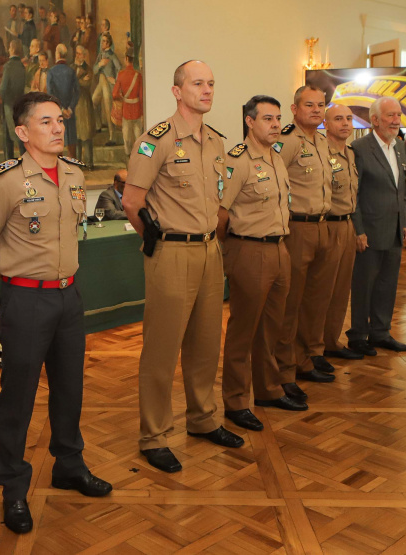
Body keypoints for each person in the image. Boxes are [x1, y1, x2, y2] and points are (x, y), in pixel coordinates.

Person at [0, 91, 113, 536]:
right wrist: (15, 280)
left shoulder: (73, 174)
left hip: (69, 297)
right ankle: (13, 486)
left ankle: (69, 464)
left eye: (60, 121)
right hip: (26, 300)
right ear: (23, 132)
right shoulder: (7, 180)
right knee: (18, 397)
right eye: (47, 122)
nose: (58, 128)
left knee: (70, 388)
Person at [122, 60, 244, 475]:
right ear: (177, 91)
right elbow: (131, 202)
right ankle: (154, 436)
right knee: (162, 350)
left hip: (210, 252)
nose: (207, 90)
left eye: (211, 83)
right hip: (171, 252)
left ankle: (203, 419)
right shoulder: (154, 140)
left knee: (207, 343)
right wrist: (155, 241)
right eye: (197, 83)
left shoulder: (216, 141)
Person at [217, 95, 305, 433]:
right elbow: (220, 214)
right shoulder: (236, 161)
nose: (275, 125)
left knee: (273, 326)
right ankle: (236, 400)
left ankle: (268, 390)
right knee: (244, 329)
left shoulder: (277, 158)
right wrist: (236, 248)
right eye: (267, 118)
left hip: (280, 247)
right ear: (249, 122)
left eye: (278, 118)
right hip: (250, 251)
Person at [273, 85, 339, 400]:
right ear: (294, 108)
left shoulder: (322, 141)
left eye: (320, 105)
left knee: (315, 300)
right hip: (297, 228)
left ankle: (306, 357)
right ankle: (284, 369)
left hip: (323, 225)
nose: (316, 110)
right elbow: (272, 180)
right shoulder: (287, 140)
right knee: (291, 303)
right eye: (309, 105)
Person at [347, 96, 406, 355]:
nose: (396, 121)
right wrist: (358, 229)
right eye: (390, 116)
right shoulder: (359, 148)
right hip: (369, 231)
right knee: (364, 284)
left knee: (387, 283)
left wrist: (404, 222)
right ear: (374, 120)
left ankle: (380, 332)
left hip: (395, 228)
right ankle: (358, 335)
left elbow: (402, 189)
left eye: (398, 115)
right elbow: (355, 194)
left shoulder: (399, 147)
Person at [321, 105, 363, 361]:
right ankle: (313, 346)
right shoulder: (320, 151)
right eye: (338, 119)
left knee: (340, 290)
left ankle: (331, 340)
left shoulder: (350, 153)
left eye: (348, 119)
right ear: (326, 124)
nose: (346, 124)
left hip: (348, 225)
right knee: (322, 291)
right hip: (328, 225)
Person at [46, 43, 78, 159]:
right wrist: (69, 108)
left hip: (57, 114)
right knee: (71, 143)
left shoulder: (51, 72)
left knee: (57, 142)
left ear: (57, 54)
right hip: (70, 114)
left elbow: (50, 94)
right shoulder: (72, 71)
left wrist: (61, 109)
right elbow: (76, 93)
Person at [112, 41, 143, 155]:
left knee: (127, 139)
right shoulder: (138, 75)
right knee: (138, 138)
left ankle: (128, 159)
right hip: (137, 111)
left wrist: (122, 98)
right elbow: (141, 96)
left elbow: (114, 94)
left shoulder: (121, 74)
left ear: (126, 59)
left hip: (126, 110)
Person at [92, 32, 120, 146]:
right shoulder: (100, 55)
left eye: (103, 41)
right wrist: (100, 64)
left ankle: (112, 135)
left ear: (108, 43)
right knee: (93, 101)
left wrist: (116, 80)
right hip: (101, 83)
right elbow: (94, 70)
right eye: (101, 41)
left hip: (108, 85)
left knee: (108, 108)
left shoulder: (112, 55)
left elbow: (119, 68)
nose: (101, 43)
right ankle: (98, 125)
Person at [0, 39, 25, 159]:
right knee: (19, 133)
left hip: (9, 103)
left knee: (9, 136)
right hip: (19, 103)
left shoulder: (8, 67)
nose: (8, 49)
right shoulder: (22, 67)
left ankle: (8, 162)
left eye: (9, 47)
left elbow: (3, 88)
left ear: (13, 49)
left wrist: (2, 97)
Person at [72, 44, 95, 167]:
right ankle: (77, 163)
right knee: (77, 137)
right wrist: (78, 80)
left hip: (85, 106)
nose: (77, 55)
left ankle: (89, 163)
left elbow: (86, 84)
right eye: (76, 53)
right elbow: (71, 85)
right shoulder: (71, 68)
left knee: (86, 136)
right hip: (75, 106)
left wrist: (75, 80)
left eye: (80, 54)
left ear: (84, 56)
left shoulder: (89, 69)